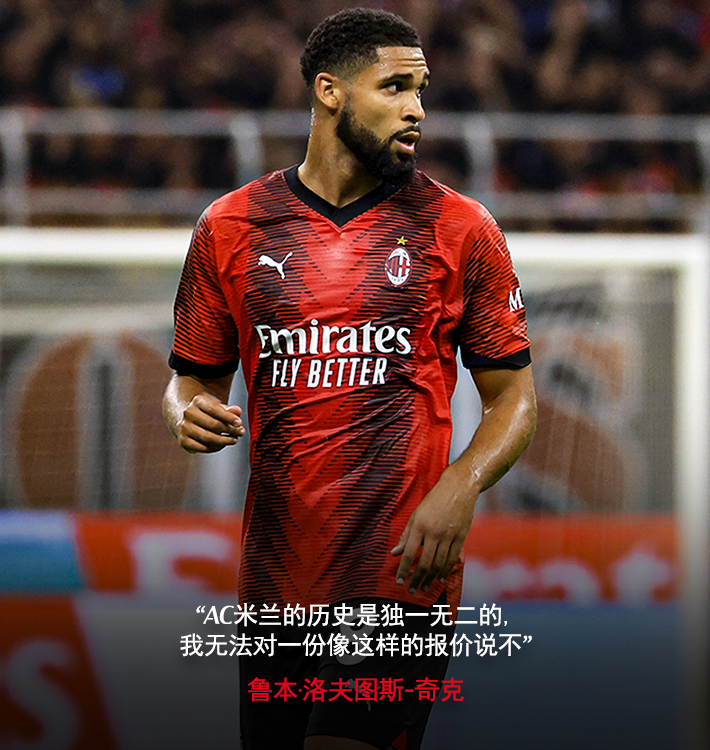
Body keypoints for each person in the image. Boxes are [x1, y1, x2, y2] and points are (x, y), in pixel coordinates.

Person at [162, 7, 537, 750]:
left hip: (400, 577)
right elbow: (190, 380)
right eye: (395, 87)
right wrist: (185, 411)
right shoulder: (231, 225)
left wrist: (460, 487)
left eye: (421, 90)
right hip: (275, 584)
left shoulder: (461, 227)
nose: (417, 109)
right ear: (329, 92)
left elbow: (514, 399)